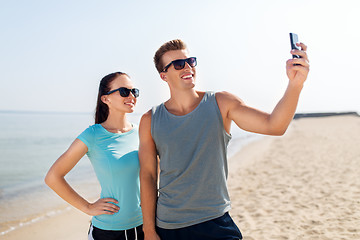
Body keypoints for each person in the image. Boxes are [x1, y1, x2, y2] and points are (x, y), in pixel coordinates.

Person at [139, 39, 309, 240]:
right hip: (169, 225)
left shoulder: (221, 103)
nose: (188, 67)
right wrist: (148, 230)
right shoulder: (150, 120)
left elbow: (275, 125)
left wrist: (295, 84)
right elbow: (148, 175)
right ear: (163, 76)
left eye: (190, 61)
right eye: (178, 64)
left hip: (216, 221)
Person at [45, 72, 144, 240]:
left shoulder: (141, 131)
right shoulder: (93, 135)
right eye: (124, 91)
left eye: (134, 91)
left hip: (144, 226)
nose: (131, 96)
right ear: (105, 99)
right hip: (109, 231)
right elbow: (53, 177)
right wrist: (88, 207)